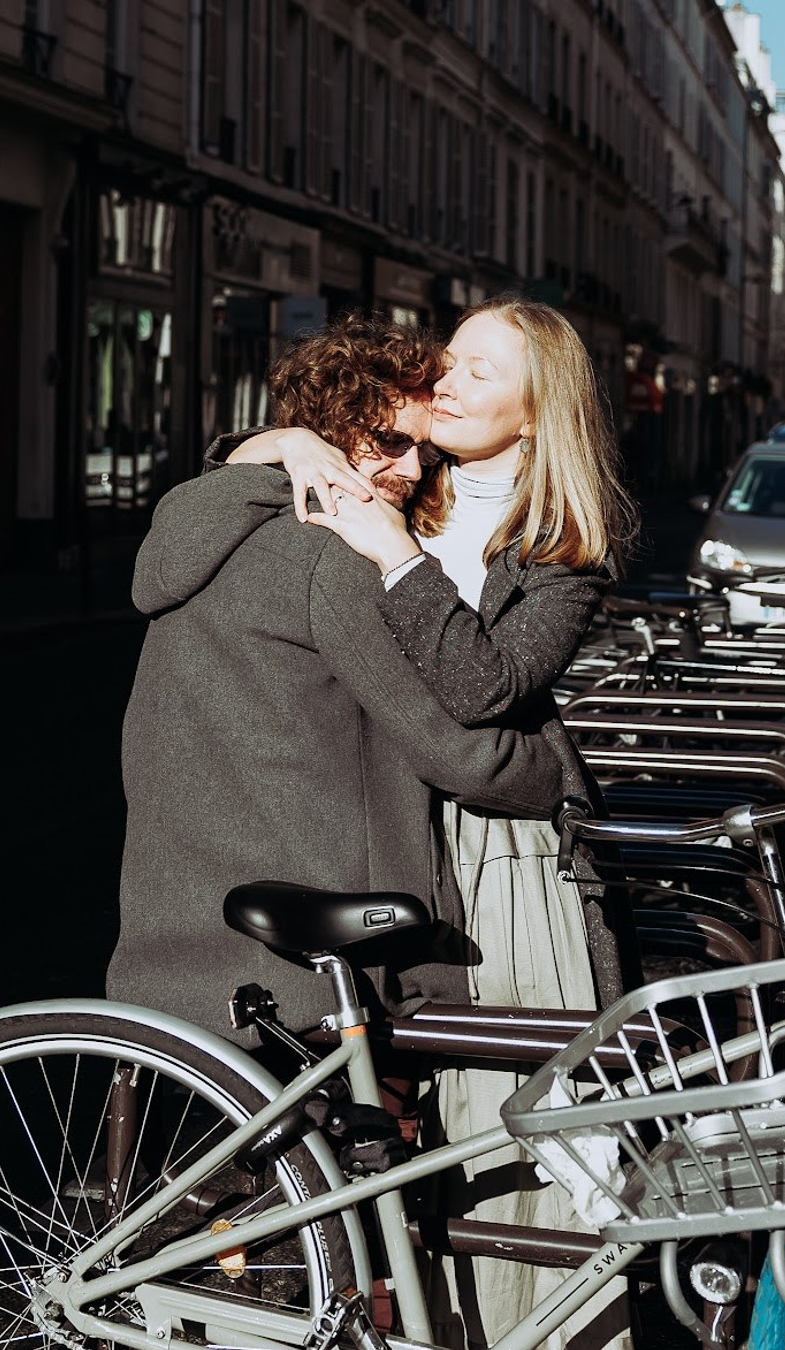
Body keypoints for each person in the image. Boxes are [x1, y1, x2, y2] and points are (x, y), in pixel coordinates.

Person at [225, 299, 645, 1350]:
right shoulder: (412, 482)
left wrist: (398, 563)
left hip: (503, 860)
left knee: (545, 1145)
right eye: (448, 360)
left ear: (537, 404)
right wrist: (284, 446)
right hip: (385, 840)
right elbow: (244, 479)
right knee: (428, 1150)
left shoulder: (568, 543)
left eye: (478, 369)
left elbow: (483, 685)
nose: (446, 382)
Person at [112, 316, 582, 1041]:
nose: (414, 469)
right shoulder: (331, 561)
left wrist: (275, 444)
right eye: (391, 443)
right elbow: (457, 749)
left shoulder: (210, 521)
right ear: (327, 434)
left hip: (180, 915)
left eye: (425, 450)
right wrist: (553, 773)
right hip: (299, 943)